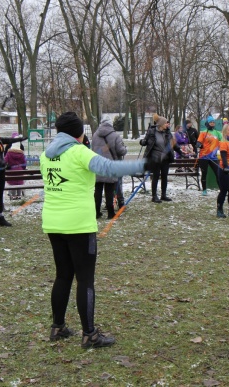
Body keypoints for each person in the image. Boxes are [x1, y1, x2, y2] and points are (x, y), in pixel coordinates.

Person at [40, 111, 149, 349]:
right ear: (79, 133)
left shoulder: (46, 155)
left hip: (54, 223)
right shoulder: (79, 152)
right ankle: (89, 334)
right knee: (85, 279)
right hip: (78, 224)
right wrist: (146, 164)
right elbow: (110, 168)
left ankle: (58, 326)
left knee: (63, 275)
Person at [92, 114, 127, 218]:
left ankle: (96, 212)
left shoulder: (95, 135)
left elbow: (93, 150)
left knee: (98, 190)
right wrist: (125, 149)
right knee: (109, 190)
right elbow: (121, 151)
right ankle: (110, 213)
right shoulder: (115, 135)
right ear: (111, 123)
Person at [140, 115, 180, 203]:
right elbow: (145, 141)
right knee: (156, 176)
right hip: (155, 158)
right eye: (166, 123)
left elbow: (173, 143)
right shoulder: (152, 131)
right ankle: (154, 196)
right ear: (161, 124)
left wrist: (180, 151)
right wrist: (142, 142)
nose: (167, 124)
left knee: (164, 176)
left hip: (165, 158)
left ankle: (163, 195)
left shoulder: (167, 132)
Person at [196, 115, 222, 195]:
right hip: (204, 157)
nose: (212, 123)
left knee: (218, 173)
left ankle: (222, 189)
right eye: (211, 122)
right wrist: (199, 145)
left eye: (213, 122)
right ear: (207, 123)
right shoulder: (203, 132)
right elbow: (198, 142)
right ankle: (204, 190)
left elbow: (223, 141)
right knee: (204, 174)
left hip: (213, 157)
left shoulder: (217, 133)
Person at [4, 132, 27, 200]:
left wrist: (6, 166)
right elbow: (24, 163)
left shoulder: (9, 153)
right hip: (20, 171)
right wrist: (23, 168)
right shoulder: (21, 154)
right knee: (19, 182)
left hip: (11, 171)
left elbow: (5, 161)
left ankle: (13, 195)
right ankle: (19, 195)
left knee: (12, 182)